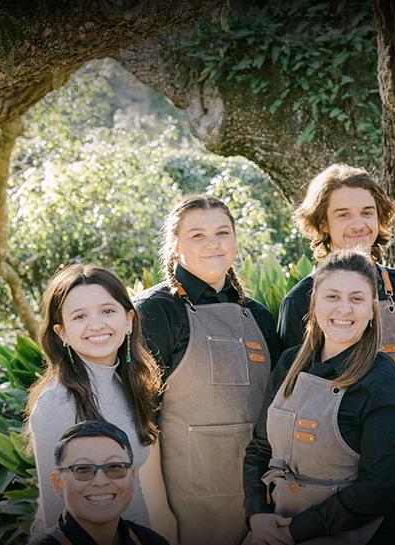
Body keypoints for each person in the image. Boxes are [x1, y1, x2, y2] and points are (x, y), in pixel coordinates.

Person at [276, 164, 395, 503]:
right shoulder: (300, 301)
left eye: (367, 212)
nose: (359, 224)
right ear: (322, 225)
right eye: (343, 214)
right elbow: (288, 402)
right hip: (318, 479)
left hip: (392, 469)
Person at [133, 194, 282, 545]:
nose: (213, 244)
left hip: (258, 504)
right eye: (197, 235)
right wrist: (158, 512)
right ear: (175, 245)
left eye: (223, 233)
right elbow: (142, 421)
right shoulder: (156, 312)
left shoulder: (258, 315)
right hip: (186, 506)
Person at [242, 251, 395, 545]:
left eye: (357, 299)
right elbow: (259, 449)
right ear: (314, 303)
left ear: (374, 309)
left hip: (355, 535)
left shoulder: (389, 385)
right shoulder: (289, 364)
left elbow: (376, 490)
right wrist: (257, 514)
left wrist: (293, 531)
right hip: (275, 529)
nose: (344, 309)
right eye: (333, 296)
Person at [28, 265, 175, 542]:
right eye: (80, 316)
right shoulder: (56, 402)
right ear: (62, 333)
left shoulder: (131, 386)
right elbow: (56, 512)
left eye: (107, 311)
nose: (96, 324)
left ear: (129, 320)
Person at [35, 420, 172, 545]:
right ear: (58, 484)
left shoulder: (150, 541)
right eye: (83, 469)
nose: (100, 482)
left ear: (132, 478)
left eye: (114, 467)